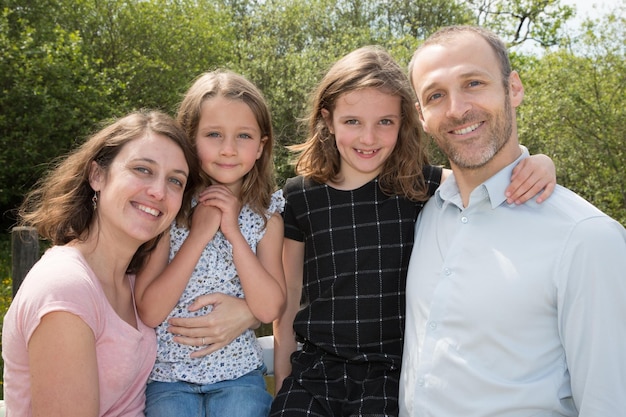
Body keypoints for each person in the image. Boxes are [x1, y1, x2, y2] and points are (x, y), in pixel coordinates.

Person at [271, 45, 557, 417]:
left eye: (385, 122)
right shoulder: (299, 196)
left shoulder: (420, 185)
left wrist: (538, 161)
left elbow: (488, 176)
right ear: (327, 119)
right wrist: (283, 382)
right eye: (352, 121)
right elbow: (288, 298)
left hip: (393, 376)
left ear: (404, 122)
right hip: (314, 374)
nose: (368, 138)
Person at [399, 25, 626, 417]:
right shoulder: (424, 212)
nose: (456, 109)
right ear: (421, 115)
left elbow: (608, 402)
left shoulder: (586, 238)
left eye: (473, 83)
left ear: (513, 88)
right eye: (436, 95)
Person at [2, 110, 199, 417]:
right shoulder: (65, 288)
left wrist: (246, 313)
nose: (159, 191)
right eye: (142, 169)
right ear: (97, 175)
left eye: (175, 181)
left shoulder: (137, 280)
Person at [134, 70, 286, 417]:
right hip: (168, 378)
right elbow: (150, 310)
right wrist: (200, 234)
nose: (229, 149)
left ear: (262, 145)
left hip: (238, 378)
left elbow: (268, 309)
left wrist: (232, 231)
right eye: (214, 134)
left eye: (244, 136)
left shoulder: (266, 218)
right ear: (189, 139)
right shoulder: (168, 209)